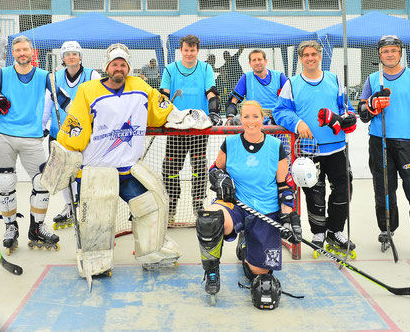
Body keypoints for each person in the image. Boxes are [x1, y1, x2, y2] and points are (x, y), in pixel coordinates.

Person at [55, 43, 181, 277]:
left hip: (129, 169)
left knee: (151, 207)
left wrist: (182, 117)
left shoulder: (140, 86)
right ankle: (94, 260)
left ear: (128, 68)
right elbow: (75, 128)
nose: (119, 69)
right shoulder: (88, 90)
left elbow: (160, 111)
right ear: (107, 67)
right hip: (97, 171)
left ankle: (151, 252)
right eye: (115, 64)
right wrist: (63, 156)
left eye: (123, 65)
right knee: (96, 221)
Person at [196, 100, 300, 306]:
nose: (250, 121)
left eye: (255, 116)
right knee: (209, 219)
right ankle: (212, 272)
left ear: (263, 119)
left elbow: (285, 188)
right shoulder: (231, 143)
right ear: (240, 119)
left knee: (258, 274)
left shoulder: (276, 147)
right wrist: (218, 178)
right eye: (246, 117)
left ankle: (245, 247)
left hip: (265, 211)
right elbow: (215, 170)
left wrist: (288, 218)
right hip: (236, 206)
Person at [0, 35, 69, 254]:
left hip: (32, 136)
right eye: (18, 50)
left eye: (26, 49)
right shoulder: (2, 74)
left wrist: (77, 121)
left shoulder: (45, 76)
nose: (22, 53)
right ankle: (10, 228)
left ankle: (37, 228)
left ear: (32, 52)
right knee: (5, 182)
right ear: (12, 53)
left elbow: (63, 100)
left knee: (43, 182)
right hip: (3, 136)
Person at [273, 40, 359, 258]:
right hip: (309, 150)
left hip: (337, 148)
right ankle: (319, 233)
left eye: (314, 54)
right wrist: (298, 123)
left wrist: (348, 117)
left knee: (343, 189)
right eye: (306, 55)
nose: (310, 58)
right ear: (301, 59)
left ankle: (335, 231)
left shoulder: (334, 79)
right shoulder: (292, 84)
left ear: (320, 56)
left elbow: (345, 107)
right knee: (314, 193)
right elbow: (280, 111)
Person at [358, 35, 410, 260]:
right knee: (384, 190)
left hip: (408, 142)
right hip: (379, 142)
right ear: (379, 55)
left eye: (394, 50)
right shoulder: (373, 79)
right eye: (385, 51)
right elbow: (362, 113)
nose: (390, 54)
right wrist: (372, 105)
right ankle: (387, 229)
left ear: (400, 53)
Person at [160, 34, 222, 221]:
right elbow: (164, 95)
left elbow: (211, 92)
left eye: (192, 50)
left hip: (198, 127)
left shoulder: (205, 68)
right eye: (186, 50)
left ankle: (198, 206)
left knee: (199, 168)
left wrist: (214, 111)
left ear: (197, 51)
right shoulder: (170, 69)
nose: (189, 53)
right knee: (171, 168)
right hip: (176, 126)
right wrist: (160, 114)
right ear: (181, 50)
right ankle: (171, 207)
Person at [48, 41, 101, 230]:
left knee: (85, 172)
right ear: (62, 58)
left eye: (75, 53)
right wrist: (42, 126)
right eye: (67, 54)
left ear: (80, 57)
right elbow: (48, 102)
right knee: (62, 173)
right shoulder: (54, 77)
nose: (71, 56)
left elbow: (100, 100)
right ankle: (70, 206)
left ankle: (86, 205)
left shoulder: (92, 75)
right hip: (59, 133)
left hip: (85, 134)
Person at [226, 48, 289, 124]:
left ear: (265, 61)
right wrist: (230, 119)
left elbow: (292, 95)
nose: (257, 62)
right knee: (235, 121)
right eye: (254, 60)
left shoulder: (279, 76)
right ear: (250, 63)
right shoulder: (246, 77)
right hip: (253, 117)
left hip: (275, 117)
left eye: (259, 59)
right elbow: (233, 101)